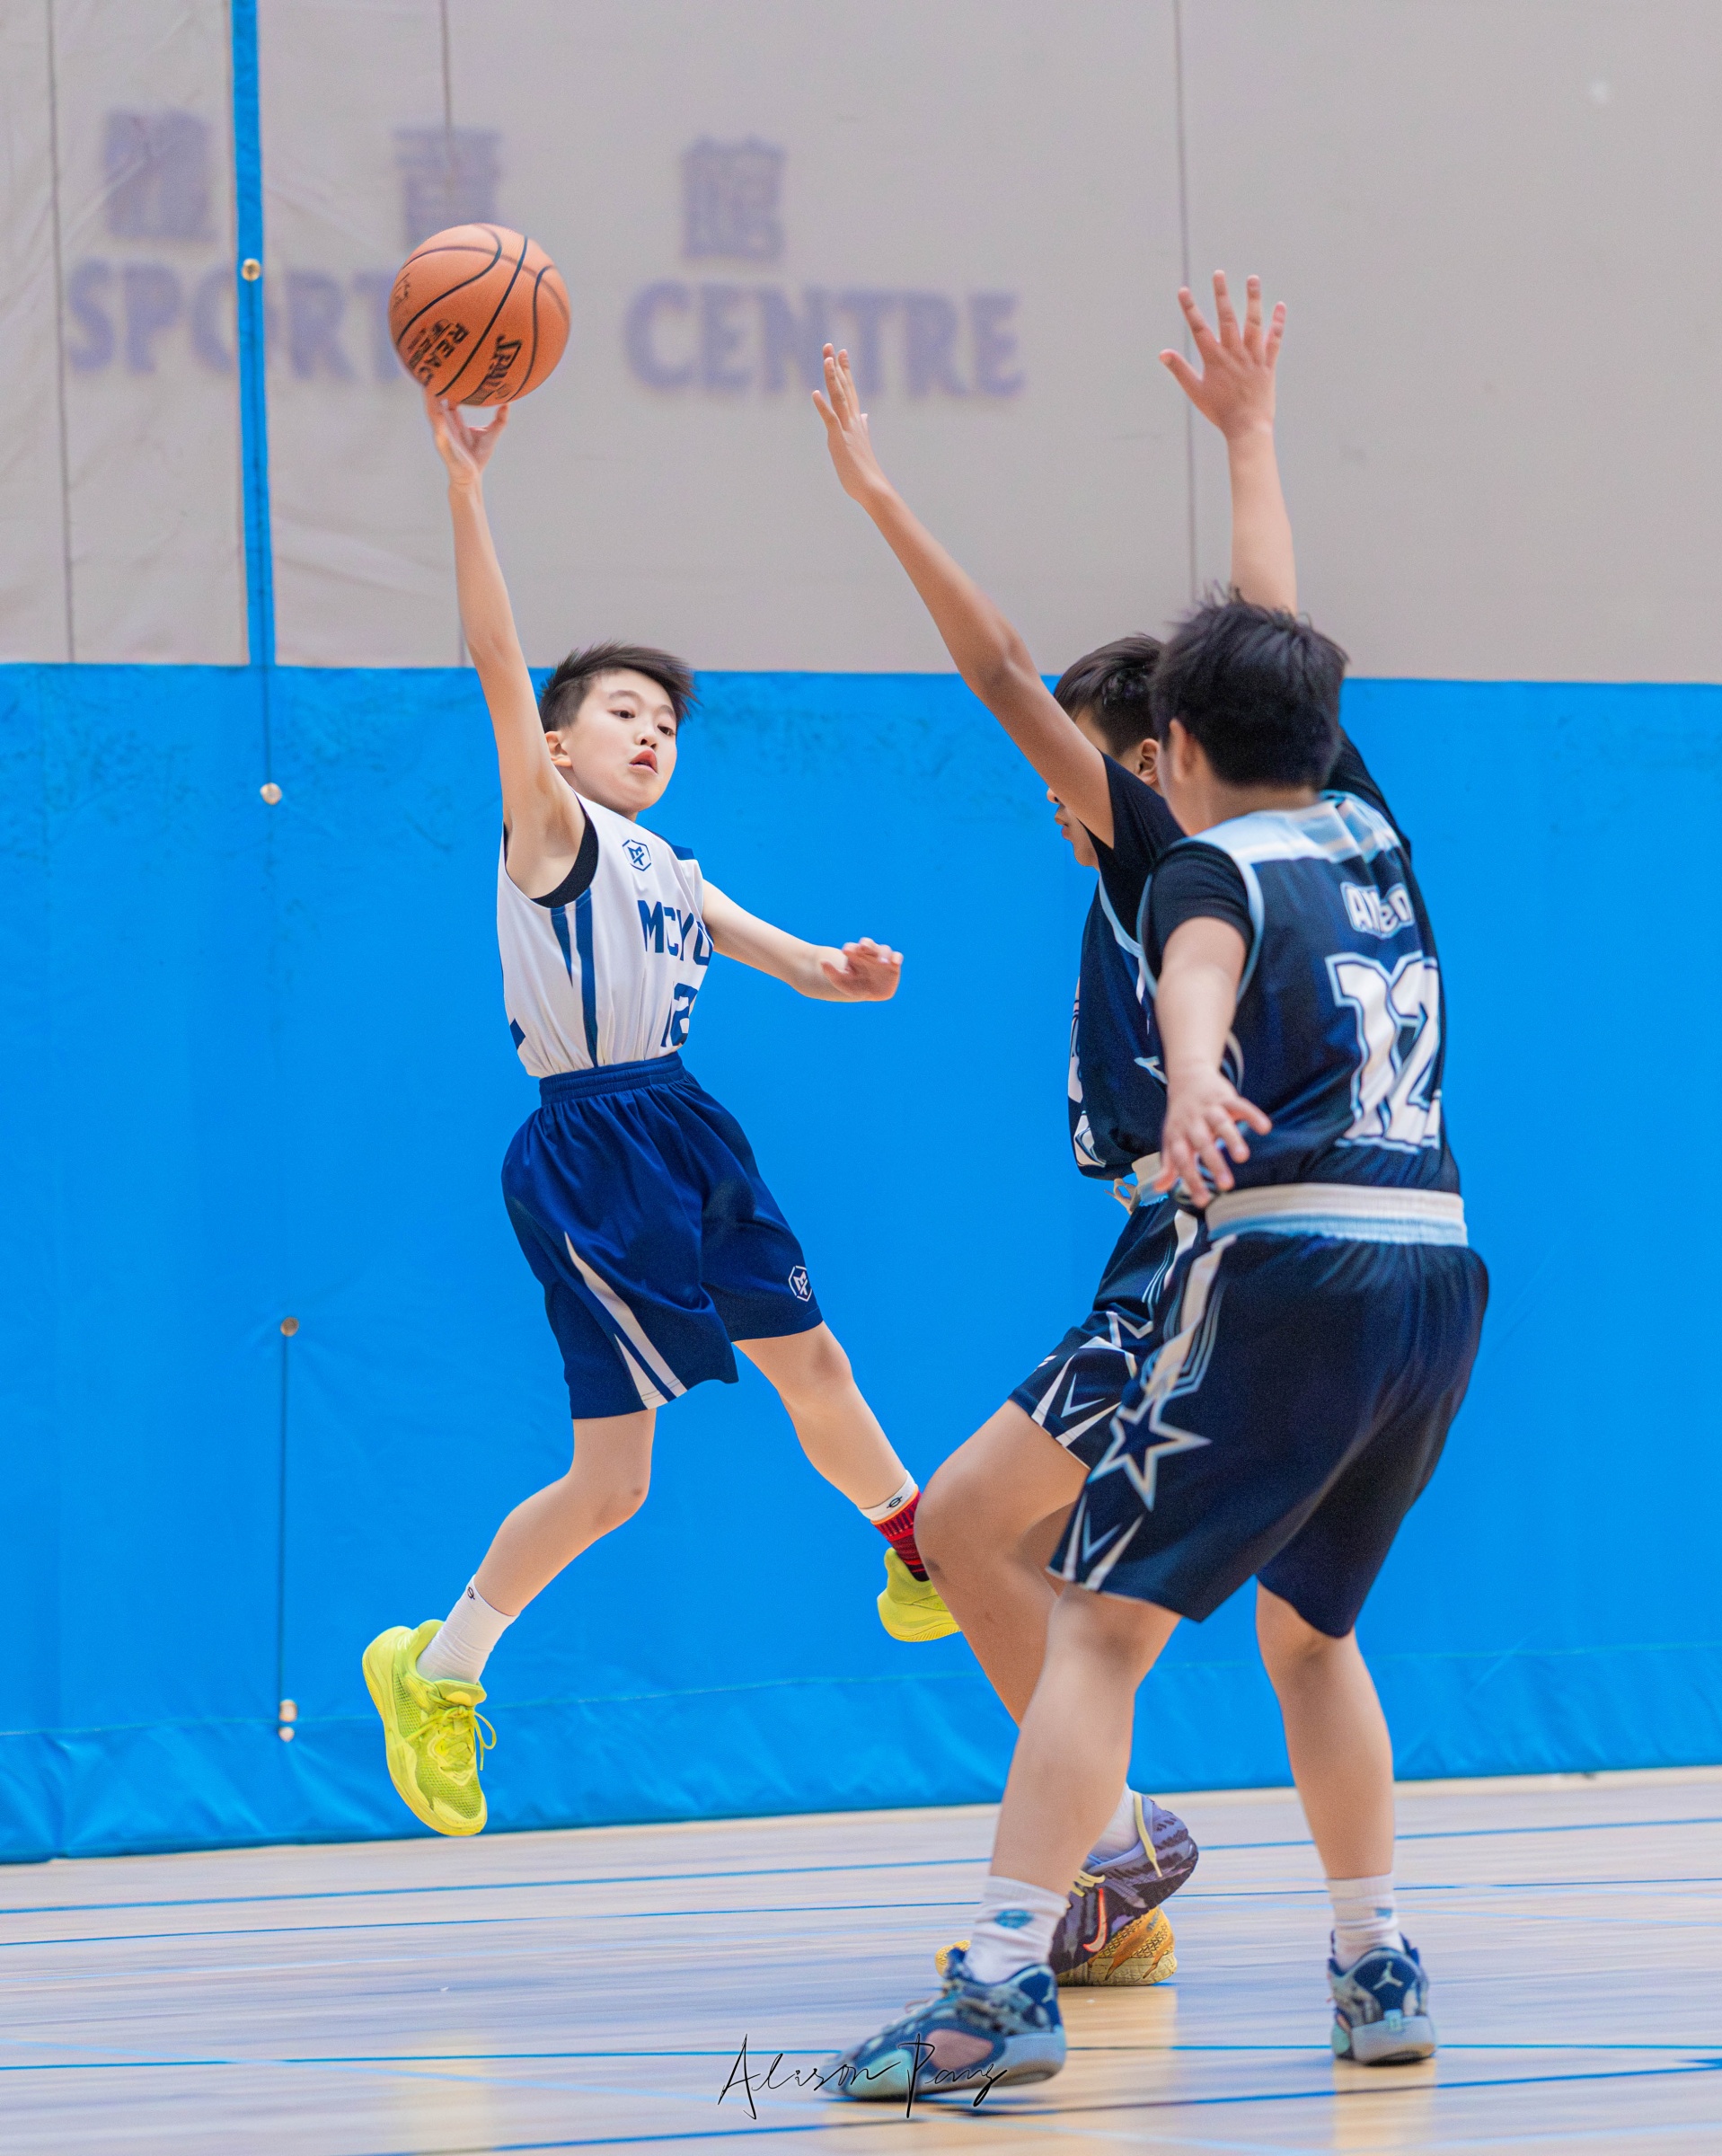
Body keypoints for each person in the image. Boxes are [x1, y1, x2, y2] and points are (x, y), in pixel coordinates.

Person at [825, 590, 1488, 2094]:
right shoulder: (1369, 838)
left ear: (1168, 749)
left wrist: (1191, 1075)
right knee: (1311, 1637)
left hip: (1275, 1255)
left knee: (1096, 1629)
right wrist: (1248, 461)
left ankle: (1002, 1985)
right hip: (1434, 1270)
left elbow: (1192, 964)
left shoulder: (1196, 860)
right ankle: (1375, 1957)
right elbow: (1275, 593)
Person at [362, 387, 956, 1842]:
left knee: (804, 1366)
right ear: (556, 746)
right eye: (621, 711)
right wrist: (464, 490)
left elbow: (802, 967)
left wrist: (850, 972)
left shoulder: (671, 867)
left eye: (667, 720)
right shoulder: (547, 830)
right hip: (591, 1155)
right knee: (619, 1475)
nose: (650, 731)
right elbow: (496, 660)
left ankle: (913, 1548)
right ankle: (439, 1671)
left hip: (686, 1129)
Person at [811, 276, 1296, 1991]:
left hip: (1198, 1256)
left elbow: (1001, 668)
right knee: (992, 1547)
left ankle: (1104, 1855)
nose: (1053, 782)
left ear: (1152, 760)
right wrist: (1250, 440)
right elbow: (1273, 633)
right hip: (1207, 1253)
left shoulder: (1167, 851)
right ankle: (1116, 1863)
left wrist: (879, 496)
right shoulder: (1276, 839)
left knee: (974, 1536)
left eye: (1081, 761)